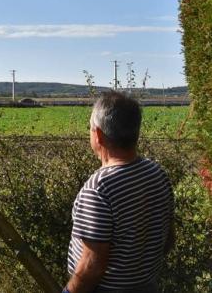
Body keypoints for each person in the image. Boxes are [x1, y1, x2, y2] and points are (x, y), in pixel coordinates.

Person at [63, 91, 175, 293]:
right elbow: (168, 238)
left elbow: (92, 266)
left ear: (98, 135)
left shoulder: (98, 188)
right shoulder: (157, 173)